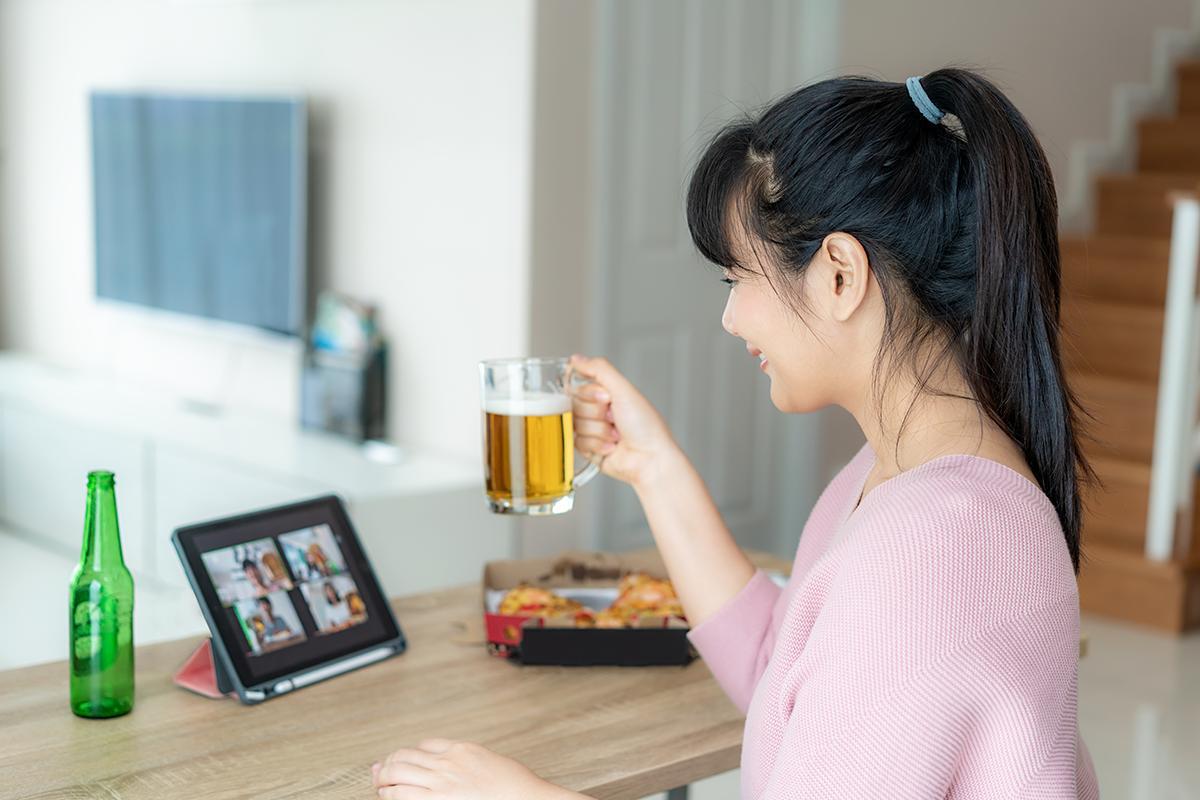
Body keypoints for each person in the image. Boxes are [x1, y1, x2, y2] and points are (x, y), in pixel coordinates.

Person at [372, 68, 1099, 799]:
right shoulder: (911, 479)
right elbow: (781, 676)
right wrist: (653, 467)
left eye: (737, 280)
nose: (731, 318)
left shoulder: (928, 556)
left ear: (840, 275)